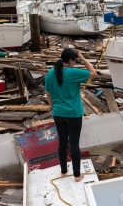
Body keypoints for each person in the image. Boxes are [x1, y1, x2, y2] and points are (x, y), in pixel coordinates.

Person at [45, 48, 97, 182]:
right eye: (75, 60)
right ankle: (77, 175)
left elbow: (48, 93)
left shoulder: (51, 72)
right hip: (73, 114)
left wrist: (52, 107)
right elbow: (93, 73)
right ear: (70, 60)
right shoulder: (73, 72)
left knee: (62, 142)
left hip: (58, 113)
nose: (75, 63)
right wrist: (83, 57)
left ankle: (63, 171)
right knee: (74, 144)